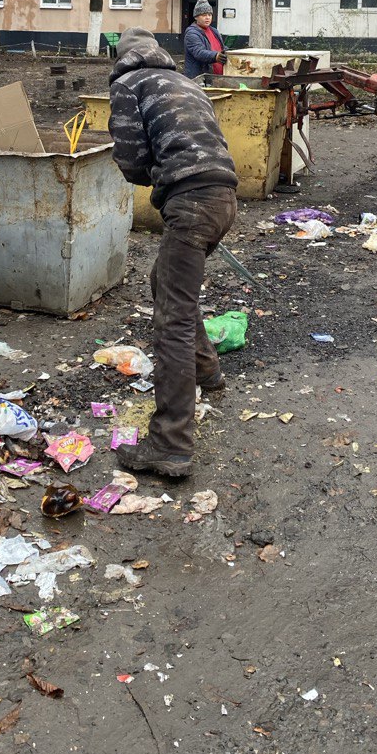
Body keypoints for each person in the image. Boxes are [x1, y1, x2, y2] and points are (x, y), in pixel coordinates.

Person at [108, 26, 238, 477]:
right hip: (224, 196)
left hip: (191, 201)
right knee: (166, 284)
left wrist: (154, 175)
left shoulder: (128, 84)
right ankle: (206, 371)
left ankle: (170, 443)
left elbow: (130, 158)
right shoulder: (185, 81)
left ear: (122, 57)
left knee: (173, 319)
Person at [183, 0, 227, 77]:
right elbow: (199, 52)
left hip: (217, 77)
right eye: (204, 15)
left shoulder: (214, 31)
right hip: (200, 78)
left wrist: (231, 52)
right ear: (196, 17)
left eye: (209, 15)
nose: (207, 17)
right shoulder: (191, 33)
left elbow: (221, 48)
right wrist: (215, 56)